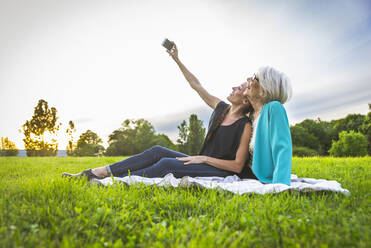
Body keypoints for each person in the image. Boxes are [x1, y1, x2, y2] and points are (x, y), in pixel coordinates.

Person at [62, 41, 256, 181]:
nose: (233, 88)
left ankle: (109, 182)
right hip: (199, 162)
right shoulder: (221, 108)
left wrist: (204, 158)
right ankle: (98, 172)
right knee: (157, 151)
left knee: (166, 164)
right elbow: (196, 85)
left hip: (220, 170)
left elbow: (237, 166)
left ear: (247, 99)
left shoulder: (244, 125)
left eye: (239, 88)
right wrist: (177, 60)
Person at [242, 67, 293, 185]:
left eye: (254, 78)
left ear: (264, 88)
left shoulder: (274, 108)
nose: (248, 79)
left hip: (259, 177)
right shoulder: (250, 115)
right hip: (243, 173)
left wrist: (280, 184)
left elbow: (283, 148)